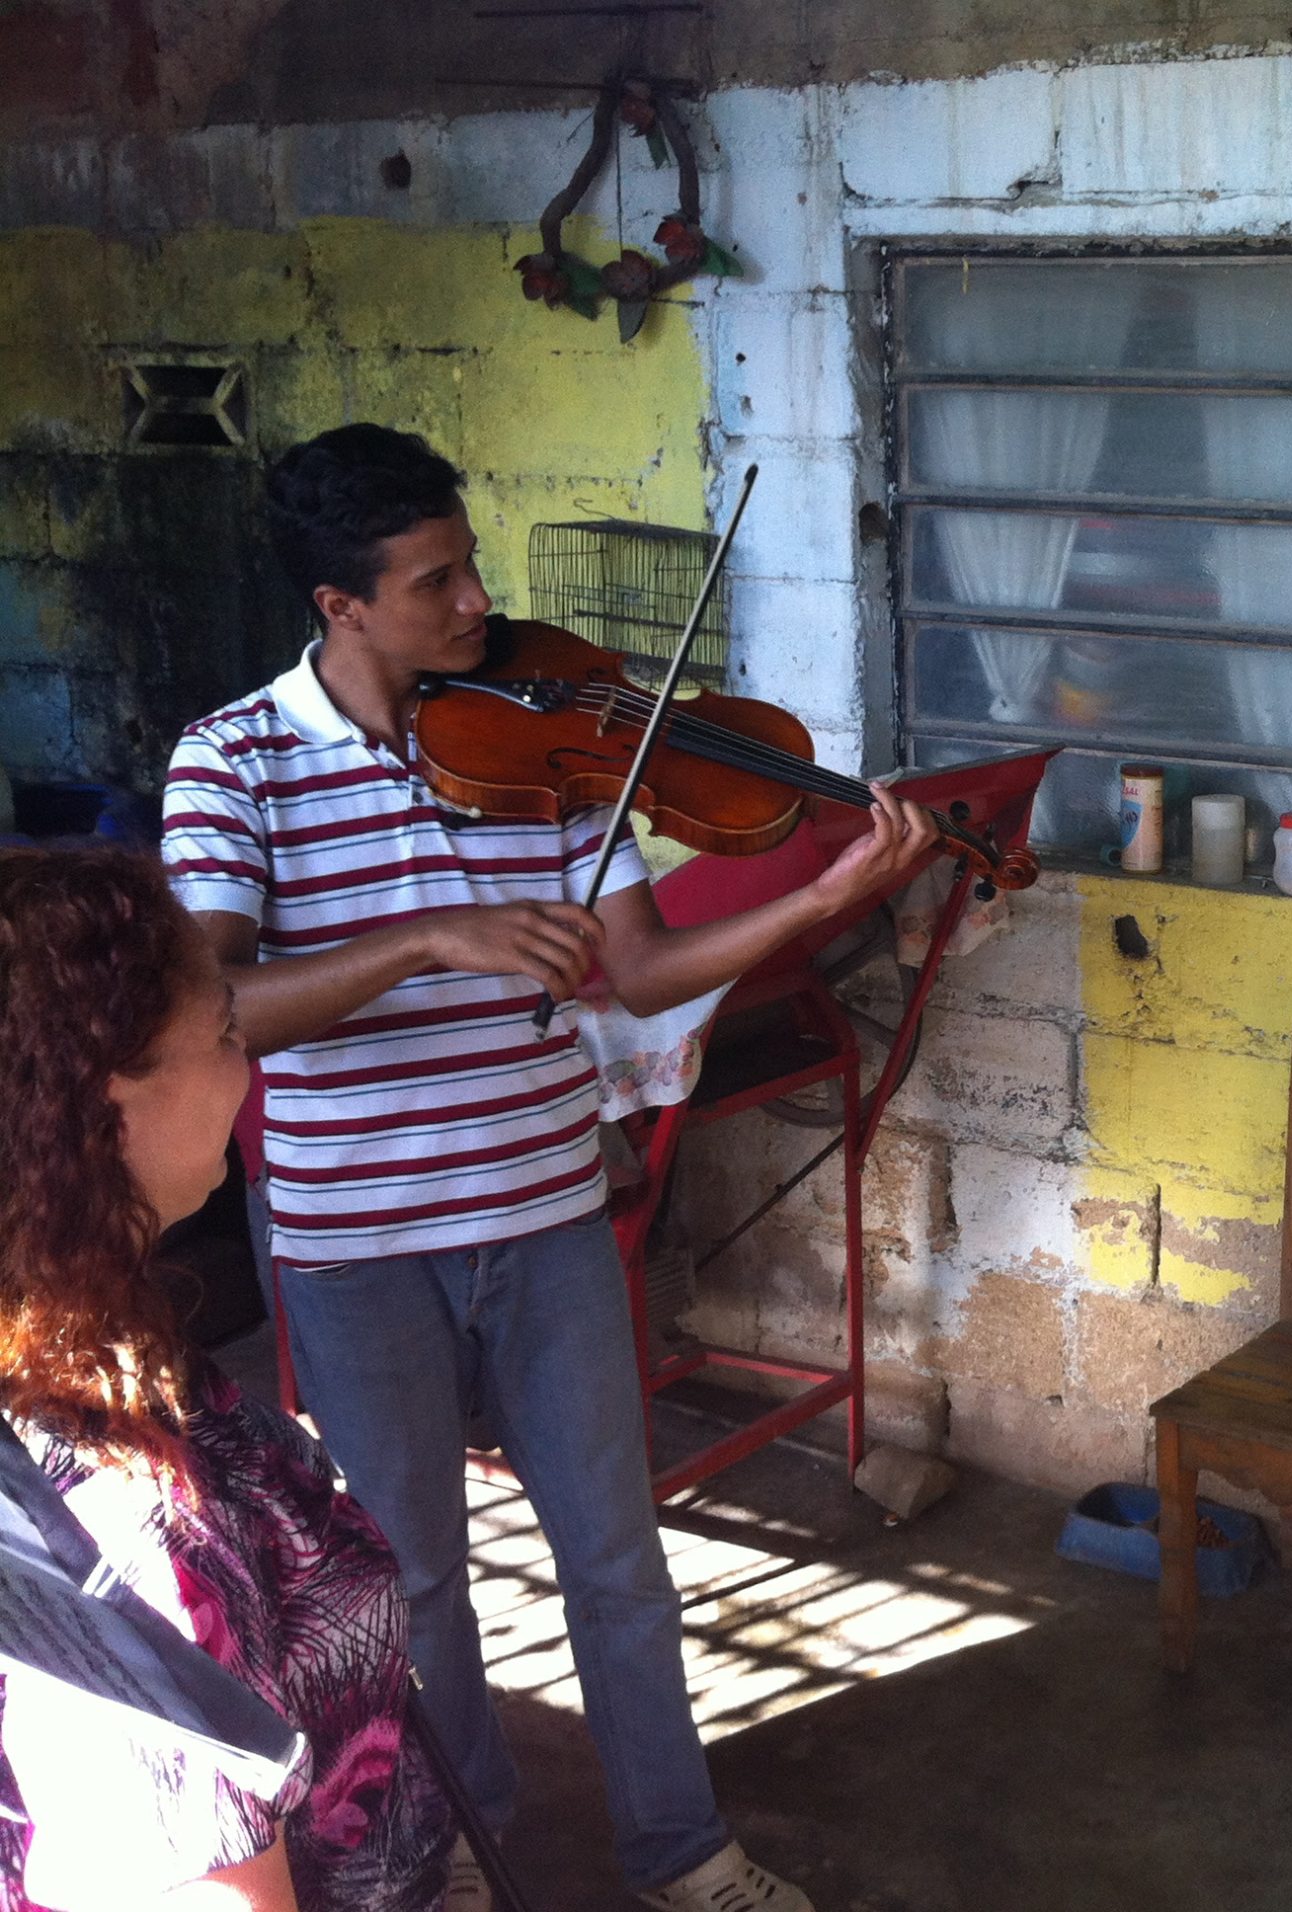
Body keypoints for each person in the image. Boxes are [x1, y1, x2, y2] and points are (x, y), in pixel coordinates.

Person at [160, 425, 937, 1912]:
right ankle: (458, 1852)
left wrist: (830, 896)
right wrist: (431, 938)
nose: (477, 603)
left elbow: (641, 975)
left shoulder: (548, 731)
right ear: (340, 603)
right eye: (435, 580)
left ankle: (682, 1851)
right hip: (355, 1242)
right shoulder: (234, 761)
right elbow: (214, 1004)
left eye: (471, 564)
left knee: (616, 1558)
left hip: (546, 1216)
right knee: (420, 1584)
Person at [0, 847, 454, 1910]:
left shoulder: (87, 1335)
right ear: (109, 1105)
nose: (248, 1065)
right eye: (226, 1033)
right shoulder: (122, 1506)